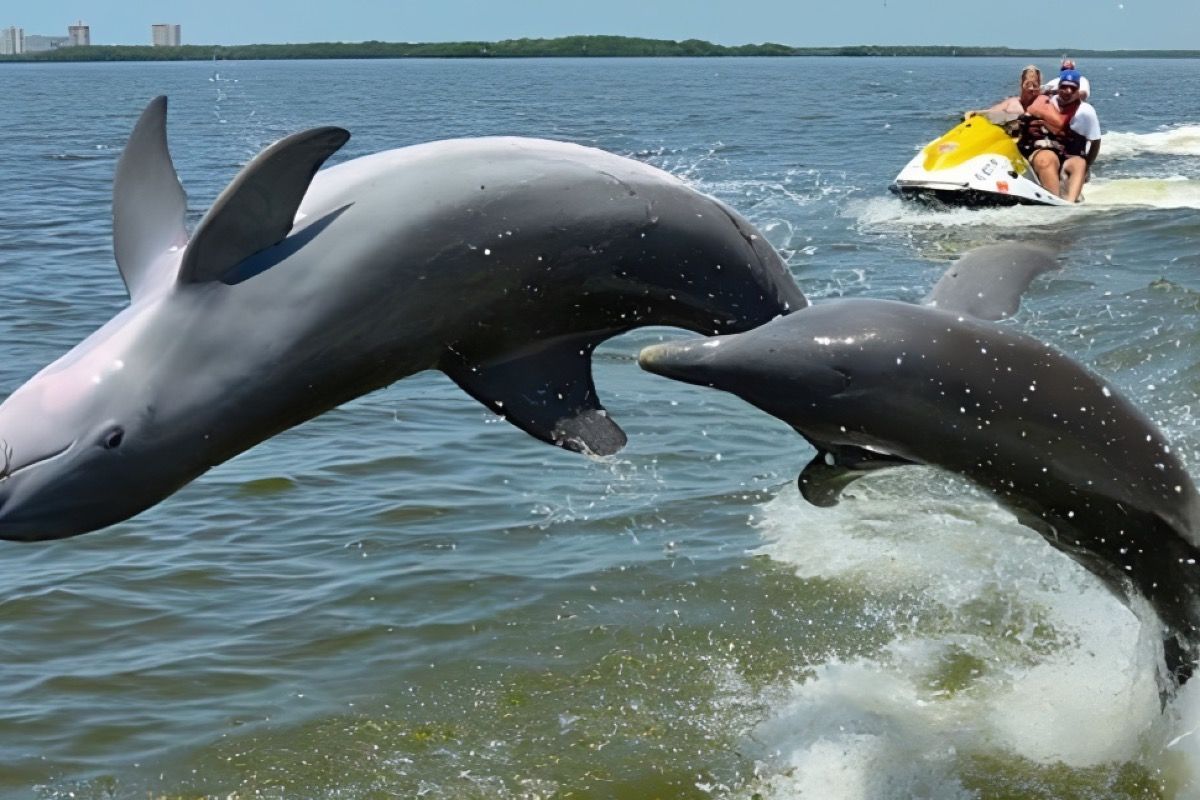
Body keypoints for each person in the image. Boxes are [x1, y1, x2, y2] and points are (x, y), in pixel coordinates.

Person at [1029, 69, 1101, 203]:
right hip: (1048, 151)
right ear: (1058, 87)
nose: (1068, 91)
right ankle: (1053, 200)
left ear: (1078, 90)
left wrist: (1087, 165)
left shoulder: (1086, 112)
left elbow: (1095, 142)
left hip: (1072, 156)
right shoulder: (1047, 103)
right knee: (1046, 159)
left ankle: (1069, 204)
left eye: (1073, 88)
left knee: (1079, 164)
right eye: (1064, 87)